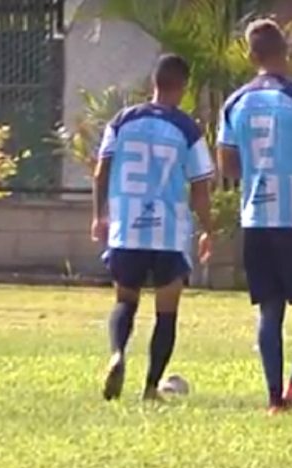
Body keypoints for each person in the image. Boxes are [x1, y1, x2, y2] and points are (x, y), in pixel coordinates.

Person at [216, 19, 292, 414]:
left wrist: (257, 175)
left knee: (270, 308)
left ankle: (274, 399)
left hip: (256, 215)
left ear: (252, 57)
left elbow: (227, 162)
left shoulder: (234, 102)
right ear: (286, 52)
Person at [92, 54, 214, 402]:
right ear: (184, 86)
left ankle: (117, 353)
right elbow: (201, 186)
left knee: (125, 298)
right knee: (167, 310)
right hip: (168, 230)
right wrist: (208, 229)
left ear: (153, 82)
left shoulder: (122, 120)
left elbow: (101, 172)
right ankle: (150, 387)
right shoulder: (187, 129)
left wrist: (98, 214)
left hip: (127, 224)